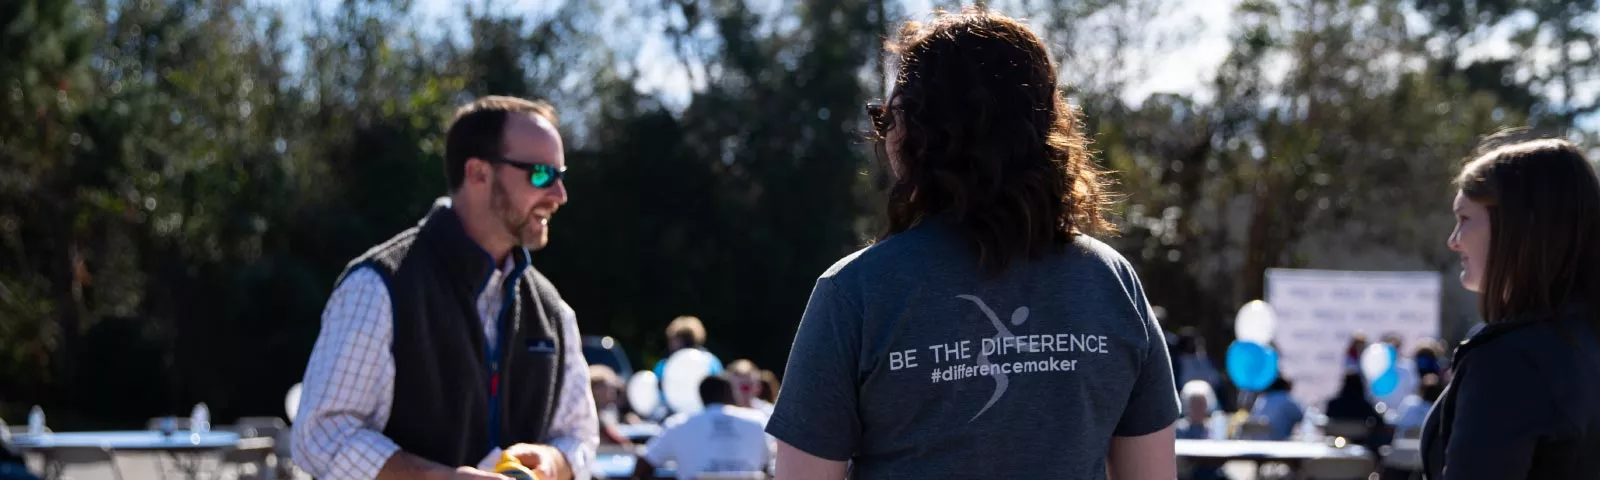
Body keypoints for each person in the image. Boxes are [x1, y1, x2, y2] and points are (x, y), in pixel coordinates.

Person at [766, 9, 1178, 479]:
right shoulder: (1112, 280)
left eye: (888, 116)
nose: (884, 135)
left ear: (918, 132)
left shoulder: (855, 291)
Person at [292, 96, 598, 480]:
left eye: (560, 175)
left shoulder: (553, 311)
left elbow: (580, 436)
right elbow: (319, 434)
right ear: (478, 173)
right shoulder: (378, 285)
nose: (559, 195)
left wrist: (555, 461)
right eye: (541, 175)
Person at [1423, 136, 1600, 478]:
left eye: (1465, 218)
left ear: (1519, 226)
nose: (1454, 240)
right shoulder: (1585, 340)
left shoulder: (1509, 360)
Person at [636, 375, 774, 480]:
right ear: (729, 393)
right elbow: (768, 466)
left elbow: (644, 465)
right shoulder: (758, 422)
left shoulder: (679, 424)